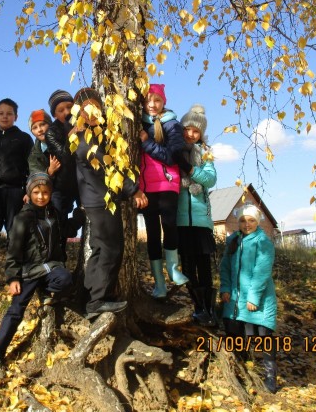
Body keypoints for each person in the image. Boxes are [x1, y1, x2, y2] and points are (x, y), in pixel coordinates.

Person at [0, 173, 73, 381]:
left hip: (50, 268)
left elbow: (67, 230)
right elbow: (13, 251)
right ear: (29, 193)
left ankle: (46, 293)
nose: (41, 196)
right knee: (16, 311)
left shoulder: (54, 214)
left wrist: (80, 213)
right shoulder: (22, 218)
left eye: (45, 192)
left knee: (67, 280)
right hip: (29, 271)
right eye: (36, 192)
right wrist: (13, 278)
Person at [73, 87, 148, 319]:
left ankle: (91, 296)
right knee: (111, 248)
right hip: (100, 200)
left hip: (96, 199)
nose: (92, 112)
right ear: (79, 112)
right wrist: (134, 190)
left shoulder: (93, 134)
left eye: (96, 107)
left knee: (99, 248)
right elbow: (108, 169)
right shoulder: (85, 139)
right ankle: (98, 299)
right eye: (86, 108)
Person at [220, 203, 278, 393]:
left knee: (263, 338)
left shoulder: (263, 242)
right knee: (236, 335)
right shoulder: (233, 241)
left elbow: (262, 272)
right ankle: (244, 370)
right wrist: (225, 288)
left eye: (251, 220)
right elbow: (225, 267)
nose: (247, 224)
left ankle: (270, 377)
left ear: (258, 221)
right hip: (235, 300)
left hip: (259, 300)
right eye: (243, 221)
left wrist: (253, 298)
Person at [138, 83, 188, 300]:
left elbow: (172, 156)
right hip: (146, 187)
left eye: (157, 100)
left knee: (169, 225)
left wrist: (146, 142)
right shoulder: (137, 123)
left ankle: (174, 270)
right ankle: (159, 283)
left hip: (167, 183)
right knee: (151, 233)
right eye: (148, 100)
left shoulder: (172, 125)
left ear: (164, 102)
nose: (152, 104)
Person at [0, 98, 34, 291]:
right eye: (1, 113)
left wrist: (28, 189)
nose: (5, 117)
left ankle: (15, 277)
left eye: (9, 113)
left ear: (16, 117)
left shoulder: (24, 139)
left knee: (15, 235)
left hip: (16, 192)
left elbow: (31, 166)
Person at [176, 104, 218, 326]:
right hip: (181, 219)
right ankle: (198, 307)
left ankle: (210, 311)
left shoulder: (205, 152)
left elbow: (210, 179)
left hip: (201, 220)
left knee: (204, 266)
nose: (191, 134)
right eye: (187, 129)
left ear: (201, 133)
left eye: (196, 131)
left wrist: (191, 170)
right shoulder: (175, 148)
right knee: (187, 267)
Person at [45, 90, 83, 255]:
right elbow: (64, 158)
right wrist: (70, 138)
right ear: (54, 114)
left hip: (82, 182)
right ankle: (57, 259)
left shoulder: (84, 122)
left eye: (69, 107)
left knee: (86, 214)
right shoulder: (51, 132)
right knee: (58, 223)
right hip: (61, 185)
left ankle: (73, 229)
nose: (67, 112)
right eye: (61, 110)